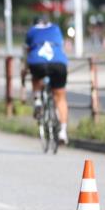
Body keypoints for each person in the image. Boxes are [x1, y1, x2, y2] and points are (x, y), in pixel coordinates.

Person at [24, 16, 69, 145]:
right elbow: (61, 47)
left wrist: (24, 70)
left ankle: (37, 100)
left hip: (37, 62)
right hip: (58, 63)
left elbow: (26, 53)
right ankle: (63, 132)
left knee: (35, 76)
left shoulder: (31, 31)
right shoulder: (56, 29)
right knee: (60, 97)